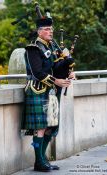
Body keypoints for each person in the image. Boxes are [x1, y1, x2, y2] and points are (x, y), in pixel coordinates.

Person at [21, 11, 75, 172]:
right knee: (41, 127)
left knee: (52, 127)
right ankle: (39, 161)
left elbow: (59, 66)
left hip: (52, 92)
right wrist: (56, 81)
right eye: (46, 29)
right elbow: (37, 72)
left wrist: (69, 71)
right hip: (37, 91)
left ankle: (43, 159)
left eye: (51, 29)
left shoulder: (53, 46)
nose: (50, 31)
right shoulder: (33, 48)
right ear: (39, 31)